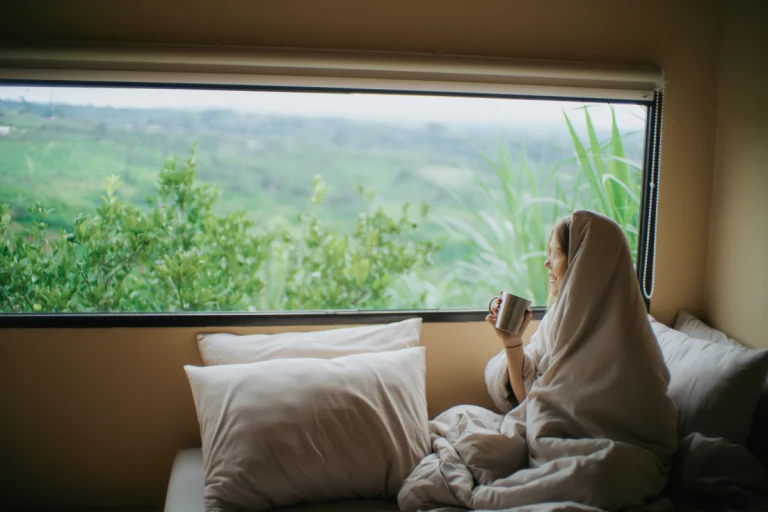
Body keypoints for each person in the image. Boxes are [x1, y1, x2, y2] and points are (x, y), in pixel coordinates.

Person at [485, 214, 571, 411]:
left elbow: (537, 408)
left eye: (556, 254)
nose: (546, 263)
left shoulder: (612, 332)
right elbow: (529, 402)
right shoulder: (556, 317)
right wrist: (512, 343)